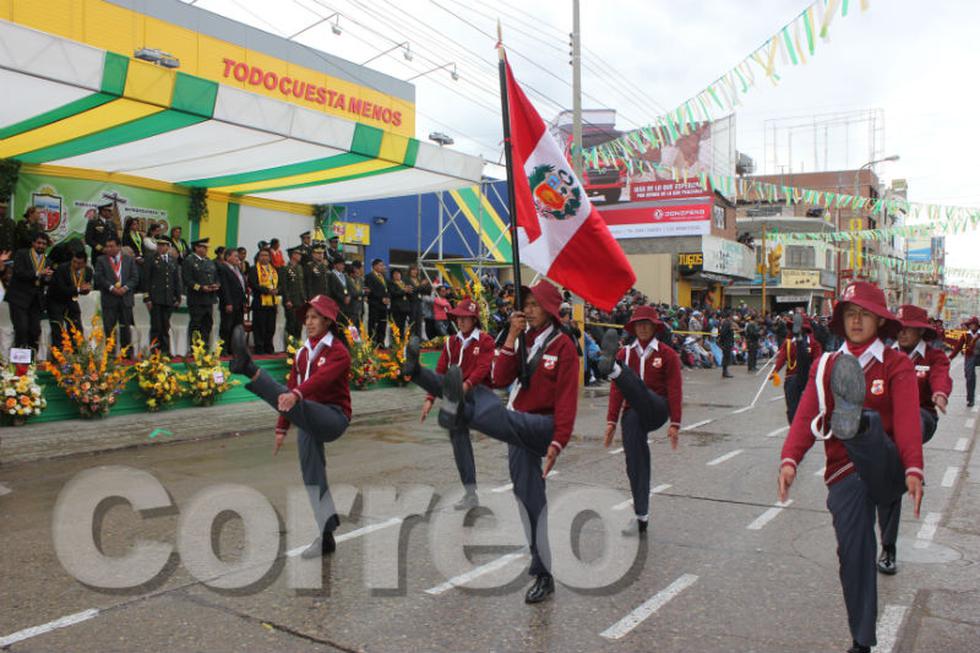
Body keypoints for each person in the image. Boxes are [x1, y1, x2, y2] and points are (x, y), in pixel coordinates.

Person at [778, 282, 924, 653]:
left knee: (872, 427)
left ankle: (858, 423)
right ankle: (862, 640)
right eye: (850, 313)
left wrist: (914, 469)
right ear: (842, 320)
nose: (857, 321)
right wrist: (790, 459)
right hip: (845, 471)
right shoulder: (827, 365)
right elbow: (806, 413)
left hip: (885, 465)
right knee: (852, 552)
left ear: (879, 320)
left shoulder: (897, 364)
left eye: (865, 314)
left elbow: (907, 421)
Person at [438, 281, 578, 604]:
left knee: (490, 413)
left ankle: (460, 413)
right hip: (518, 429)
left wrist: (558, 442)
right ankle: (543, 571)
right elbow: (500, 378)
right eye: (525, 305)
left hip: (540, 425)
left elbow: (567, 402)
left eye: (534, 305)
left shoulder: (563, 347)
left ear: (550, 309)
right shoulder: (524, 339)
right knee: (528, 498)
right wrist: (512, 337)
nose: (527, 310)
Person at [229, 296, 351, 559]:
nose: (308, 322)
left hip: (333, 417)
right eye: (306, 318)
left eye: (314, 317)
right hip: (304, 414)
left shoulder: (338, 351)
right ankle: (326, 536)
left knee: (299, 402)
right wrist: (281, 428)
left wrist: (296, 394)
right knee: (312, 476)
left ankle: (249, 367)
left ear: (328, 321)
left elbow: (320, 380)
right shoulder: (303, 352)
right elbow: (289, 388)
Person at [875, 304, 951, 576]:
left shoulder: (934, 356)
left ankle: (909, 461)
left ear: (921, 331)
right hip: (887, 427)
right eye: (900, 326)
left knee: (910, 422)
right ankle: (888, 547)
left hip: (922, 418)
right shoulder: (884, 355)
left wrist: (940, 393)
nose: (903, 332)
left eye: (909, 328)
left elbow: (942, 376)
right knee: (889, 482)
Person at [402, 297, 494, 510]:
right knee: (459, 443)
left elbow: (482, 368)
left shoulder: (485, 340)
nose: (460, 321)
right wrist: (429, 399)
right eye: (457, 318)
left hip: (476, 395)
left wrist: (467, 385)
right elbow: (441, 371)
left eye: (465, 318)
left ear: (474, 319)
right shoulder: (451, 342)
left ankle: (416, 371)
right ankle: (471, 494)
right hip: (454, 394)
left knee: (452, 386)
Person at [598, 306, 682, 536]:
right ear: (633, 328)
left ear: (655, 327)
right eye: (639, 324)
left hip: (656, 408)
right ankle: (641, 516)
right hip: (633, 413)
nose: (643, 328)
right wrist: (611, 422)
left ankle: (613, 369)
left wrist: (675, 423)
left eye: (647, 324)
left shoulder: (667, 355)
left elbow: (675, 389)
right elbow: (617, 393)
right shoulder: (626, 352)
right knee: (635, 462)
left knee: (637, 387)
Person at [5, 232, 54, 351]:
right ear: (33, 243)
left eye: (44, 244)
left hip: (35, 300)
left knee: (35, 331)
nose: (41, 246)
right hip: (19, 298)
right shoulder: (22, 254)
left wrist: (48, 278)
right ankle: (19, 363)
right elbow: (18, 272)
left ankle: (31, 361)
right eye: (39, 243)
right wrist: (38, 273)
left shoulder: (48, 261)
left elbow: (44, 282)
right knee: (22, 329)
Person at [771, 314, 822, 424]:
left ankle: (805, 427)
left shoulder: (813, 343)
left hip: (808, 379)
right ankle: (793, 427)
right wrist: (775, 371)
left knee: (807, 408)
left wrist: (816, 375)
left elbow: (818, 361)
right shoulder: (788, 342)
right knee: (792, 409)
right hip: (791, 379)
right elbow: (782, 358)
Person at [94, 235, 138, 356]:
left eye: (111, 246)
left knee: (126, 327)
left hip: (125, 298)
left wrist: (125, 288)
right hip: (109, 298)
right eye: (107, 246)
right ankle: (110, 353)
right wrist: (112, 288)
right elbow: (99, 277)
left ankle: (127, 352)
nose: (108, 249)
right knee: (109, 328)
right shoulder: (101, 260)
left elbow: (135, 278)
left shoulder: (129, 259)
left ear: (119, 246)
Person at [141, 237, 182, 355]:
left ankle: (165, 351)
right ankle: (155, 351)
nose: (161, 247)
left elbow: (175, 280)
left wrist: (178, 296)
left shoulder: (172, 260)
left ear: (168, 247)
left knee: (166, 326)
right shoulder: (151, 259)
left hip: (168, 298)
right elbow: (146, 279)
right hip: (155, 298)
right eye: (159, 245)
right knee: (156, 327)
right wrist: (147, 298)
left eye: (164, 245)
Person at [47, 249, 93, 348]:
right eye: (74, 262)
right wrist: (79, 289)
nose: (75, 265)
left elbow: (84, 289)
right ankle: (58, 355)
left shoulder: (88, 271)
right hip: (56, 300)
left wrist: (86, 290)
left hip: (71, 300)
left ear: (84, 263)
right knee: (58, 328)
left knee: (76, 327)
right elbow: (62, 289)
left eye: (79, 263)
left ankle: (77, 353)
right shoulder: (62, 268)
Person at [182, 237, 220, 349]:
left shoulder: (209, 261)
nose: (205, 249)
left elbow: (216, 277)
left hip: (209, 298)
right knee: (196, 323)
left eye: (206, 247)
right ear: (196, 248)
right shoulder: (189, 261)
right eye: (203, 247)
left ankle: (205, 344)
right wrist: (201, 287)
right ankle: (195, 346)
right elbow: (187, 280)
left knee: (207, 323)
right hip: (196, 298)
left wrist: (216, 284)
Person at [248, 247, 280, 355]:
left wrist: (277, 290)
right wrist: (267, 291)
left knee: (270, 327)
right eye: (262, 255)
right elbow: (252, 284)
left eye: (266, 255)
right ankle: (259, 348)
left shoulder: (274, 269)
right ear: (258, 257)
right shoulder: (253, 269)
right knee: (260, 326)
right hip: (260, 302)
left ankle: (269, 347)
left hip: (272, 303)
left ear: (270, 258)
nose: (264, 257)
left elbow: (279, 284)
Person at [217, 248, 247, 356]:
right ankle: (223, 349)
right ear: (228, 256)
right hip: (229, 303)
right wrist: (228, 303)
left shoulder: (236, 269)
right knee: (227, 326)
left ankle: (232, 348)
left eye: (237, 256)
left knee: (236, 327)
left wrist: (244, 302)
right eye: (235, 256)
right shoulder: (223, 268)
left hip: (239, 303)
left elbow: (241, 286)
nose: (237, 258)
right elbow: (225, 287)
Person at [949, 317, 980, 406]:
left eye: (974, 324)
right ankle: (970, 399)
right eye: (971, 324)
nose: (973, 326)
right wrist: (950, 357)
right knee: (970, 376)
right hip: (970, 357)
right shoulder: (966, 335)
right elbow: (958, 347)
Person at [279, 246, 306, 344]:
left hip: (300, 301)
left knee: (298, 326)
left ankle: (297, 345)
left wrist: (304, 298)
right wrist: (287, 300)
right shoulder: (285, 268)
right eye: (298, 254)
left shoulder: (299, 268)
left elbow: (301, 285)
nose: (300, 256)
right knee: (291, 325)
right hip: (291, 301)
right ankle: (289, 346)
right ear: (293, 255)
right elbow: (284, 286)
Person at [365, 258, 390, 345]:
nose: (382, 267)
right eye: (380, 265)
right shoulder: (369, 276)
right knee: (373, 324)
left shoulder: (383, 277)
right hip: (375, 304)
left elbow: (387, 290)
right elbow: (371, 291)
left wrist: (387, 298)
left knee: (383, 324)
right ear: (374, 266)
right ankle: (372, 343)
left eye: (383, 265)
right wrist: (381, 298)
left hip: (384, 305)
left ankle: (381, 342)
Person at [326, 257, 355, 326]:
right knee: (336, 324)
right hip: (337, 304)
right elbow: (333, 290)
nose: (343, 266)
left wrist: (349, 296)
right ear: (335, 265)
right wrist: (343, 298)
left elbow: (350, 288)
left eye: (343, 264)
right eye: (341, 264)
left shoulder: (344, 275)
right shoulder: (331, 275)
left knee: (345, 325)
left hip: (346, 306)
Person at [405, 263, 430, 337]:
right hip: (411, 302)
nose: (415, 272)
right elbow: (413, 290)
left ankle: (419, 338)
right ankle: (412, 338)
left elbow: (422, 291)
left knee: (419, 321)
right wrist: (421, 285)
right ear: (409, 271)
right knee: (412, 321)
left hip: (419, 302)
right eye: (413, 270)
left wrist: (427, 286)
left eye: (416, 270)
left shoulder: (418, 279)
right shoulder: (406, 279)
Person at [388, 268, 411, 335]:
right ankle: (395, 342)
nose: (397, 275)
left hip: (405, 308)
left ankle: (402, 341)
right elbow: (393, 293)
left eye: (398, 273)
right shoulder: (391, 283)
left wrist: (409, 291)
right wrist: (404, 290)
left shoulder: (403, 283)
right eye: (395, 274)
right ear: (392, 275)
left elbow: (407, 294)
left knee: (403, 326)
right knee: (396, 325)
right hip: (396, 308)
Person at [347, 260, 364, 328]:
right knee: (351, 327)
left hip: (360, 308)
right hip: (352, 308)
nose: (358, 275)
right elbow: (351, 293)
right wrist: (362, 292)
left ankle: (357, 338)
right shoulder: (347, 280)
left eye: (358, 273)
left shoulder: (360, 280)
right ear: (351, 274)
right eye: (356, 273)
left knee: (359, 328)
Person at [718, 312, 734, 378]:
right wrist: (722, 342)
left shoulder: (726, 322)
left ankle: (725, 371)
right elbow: (723, 333)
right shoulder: (727, 323)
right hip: (727, 342)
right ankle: (725, 372)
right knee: (726, 357)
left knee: (726, 357)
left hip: (727, 342)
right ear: (729, 316)